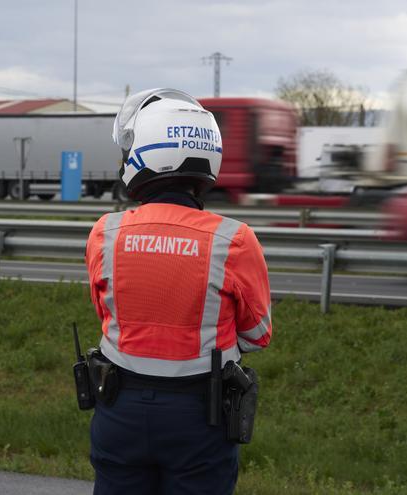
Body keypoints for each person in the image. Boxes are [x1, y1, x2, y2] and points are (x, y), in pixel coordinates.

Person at [84, 88, 273, 495]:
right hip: (200, 417)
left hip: (120, 408)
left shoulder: (105, 233)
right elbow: (258, 335)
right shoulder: (235, 239)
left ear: (146, 153)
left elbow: (107, 313)